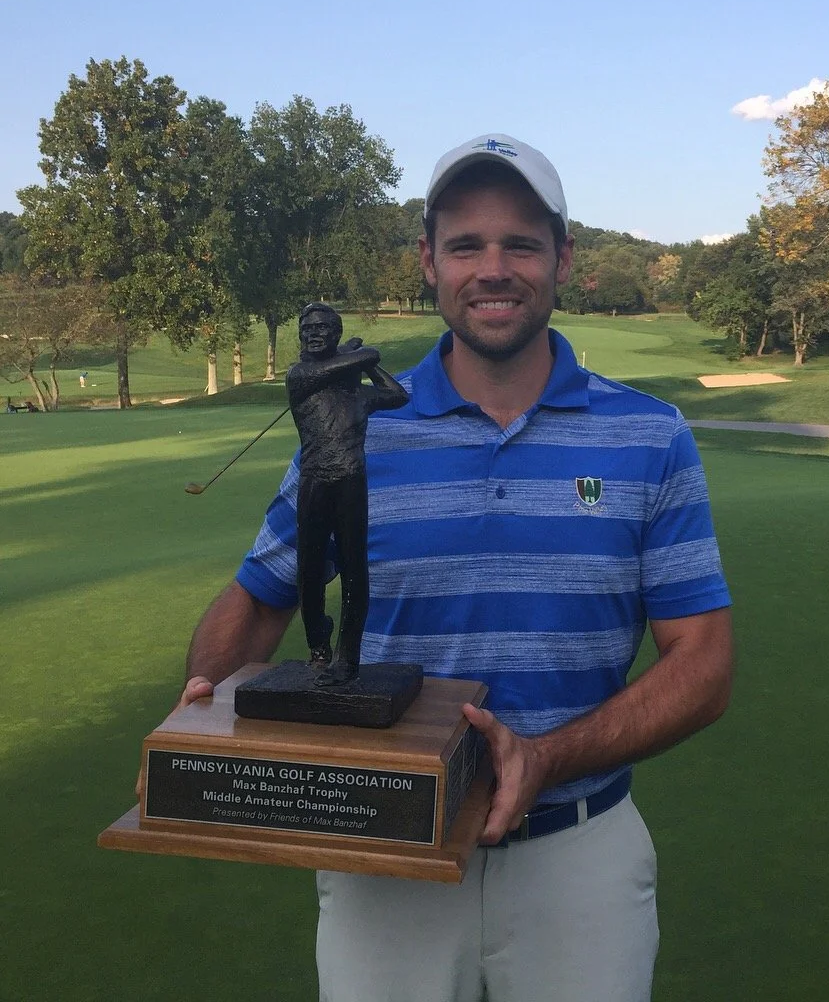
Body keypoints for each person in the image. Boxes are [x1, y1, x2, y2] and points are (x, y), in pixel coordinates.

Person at [171, 133, 735, 1001]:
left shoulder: (650, 435)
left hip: (577, 852)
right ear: (429, 262)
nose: (494, 267)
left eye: (521, 243)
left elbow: (702, 665)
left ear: (565, 259)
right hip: (381, 846)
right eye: (466, 245)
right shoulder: (357, 429)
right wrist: (198, 712)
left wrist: (547, 756)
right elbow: (259, 602)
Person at [285, 305, 408, 683]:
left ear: (336, 334)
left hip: (351, 482)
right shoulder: (300, 376)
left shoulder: (356, 394)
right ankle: (318, 645)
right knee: (310, 568)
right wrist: (358, 356)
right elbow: (369, 354)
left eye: (323, 328)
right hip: (315, 481)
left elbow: (397, 394)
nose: (314, 334)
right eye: (307, 329)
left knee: (355, 570)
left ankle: (347, 657)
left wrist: (361, 367)